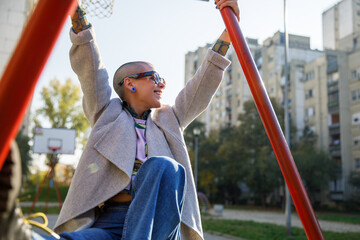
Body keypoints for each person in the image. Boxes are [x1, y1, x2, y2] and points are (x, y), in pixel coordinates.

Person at [0, 0, 240, 239]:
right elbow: (91, 68)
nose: (162, 83)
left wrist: (229, 33)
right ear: (130, 83)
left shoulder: (169, 118)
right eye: (154, 77)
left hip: (158, 222)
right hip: (110, 222)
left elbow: (202, 84)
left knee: (164, 166)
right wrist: (73, 9)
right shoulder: (107, 113)